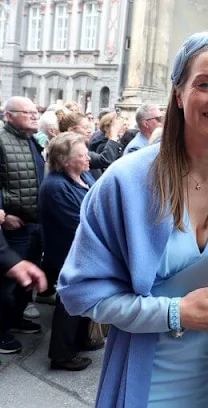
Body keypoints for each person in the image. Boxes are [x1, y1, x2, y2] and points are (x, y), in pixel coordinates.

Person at [57, 30, 208, 406]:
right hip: (149, 386)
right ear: (179, 95)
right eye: (206, 84)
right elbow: (78, 292)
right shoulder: (126, 182)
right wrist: (175, 312)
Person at [40, 132, 99, 371]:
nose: (88, 159)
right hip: (68, 253)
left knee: (83, 298)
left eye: (86, 153)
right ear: (65, 161)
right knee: (69, 303)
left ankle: (80, 340)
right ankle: (61, 354)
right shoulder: (55, 186)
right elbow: (79, 224)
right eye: (82, 155)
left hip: (84, 252)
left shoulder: (83, 175)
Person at [0, 96, 46, 352]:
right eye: (27, 113)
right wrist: (4, 214)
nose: (34, 116)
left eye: (35, 112)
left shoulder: (30, 140)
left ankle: (15, 318)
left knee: (24, 284)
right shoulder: (2, 140)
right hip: (13, 226)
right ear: (9, 116)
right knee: (7, 283)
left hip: (33, 224)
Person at [58, 112, 123, 180]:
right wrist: (113, 133)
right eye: (85, 127)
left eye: (89, 127)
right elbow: (105, 160)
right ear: (71, 130)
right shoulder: (68, 149)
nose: (89, 131)